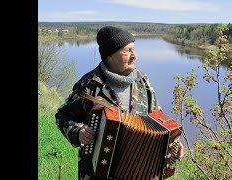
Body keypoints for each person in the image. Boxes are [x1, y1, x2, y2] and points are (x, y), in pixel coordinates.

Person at [55, 26, 184, 180]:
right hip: (97, 173)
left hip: (140, 171)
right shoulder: (88, 85)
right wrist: (78, 132)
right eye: (127, 51)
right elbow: (62, 115)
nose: (134, 55)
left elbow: (157, 117)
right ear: (109, 56)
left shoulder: (143, 82)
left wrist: (171, 143)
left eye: (133, 49)